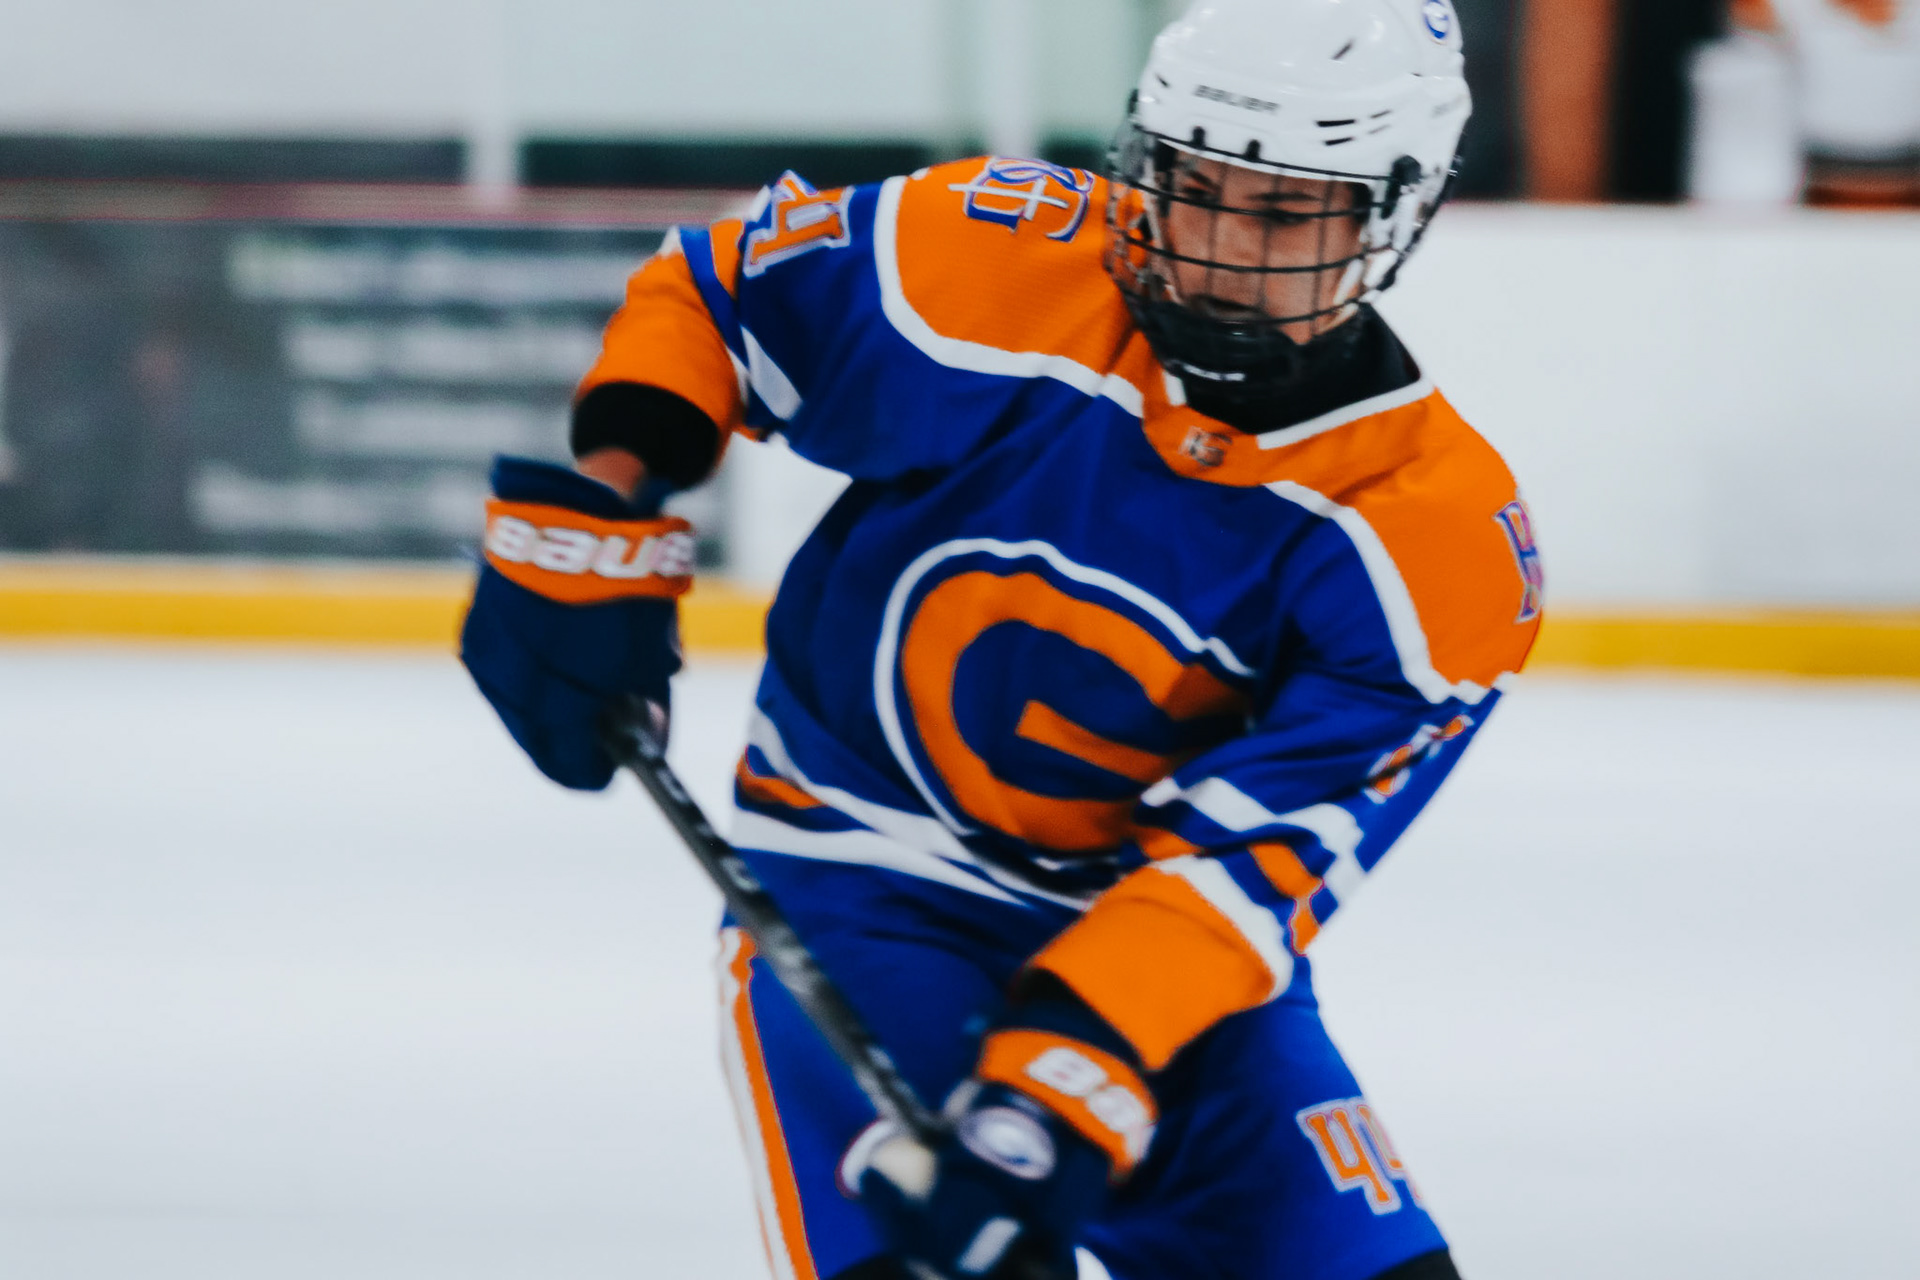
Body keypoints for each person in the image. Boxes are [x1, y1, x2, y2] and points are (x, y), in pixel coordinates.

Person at [460, 2, 1543, 1277]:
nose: (1213, 253)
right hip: (863, 891)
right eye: (1192, 188)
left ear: (1394, 213)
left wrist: (1056, 1093)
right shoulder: (1007, 257)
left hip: (1168, 971)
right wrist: (605, 509)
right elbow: (721, 290)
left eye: (1282, 213)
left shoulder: (1434, 539)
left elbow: (1245, 872)